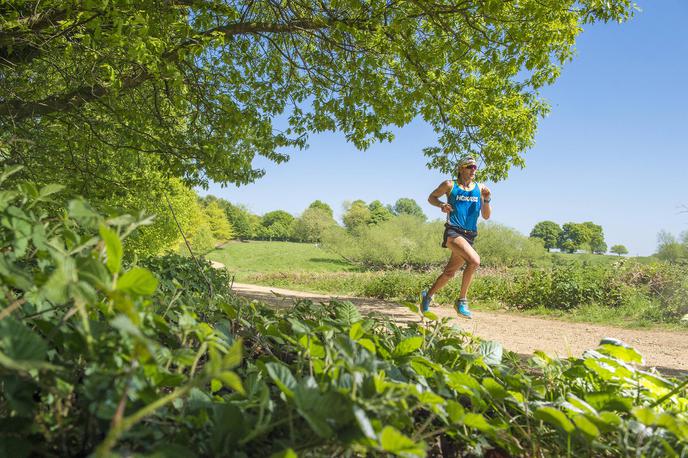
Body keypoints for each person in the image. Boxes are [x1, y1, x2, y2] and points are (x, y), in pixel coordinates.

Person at [421, 155, 491, 318]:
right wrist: (441, 205)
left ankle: (427, 296)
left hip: (469, 235)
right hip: (453, 232)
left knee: (449, 273)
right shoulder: (449, 185)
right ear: (461, 168)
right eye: (469, 167)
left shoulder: (480, 188)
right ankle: (461, 301)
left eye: (475, 167)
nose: (473, 169)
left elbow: (486, 216)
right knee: (474, 261)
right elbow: (431, 197)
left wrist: (487, 199)